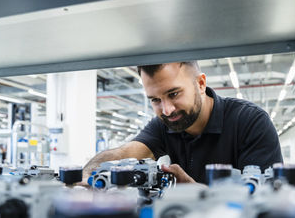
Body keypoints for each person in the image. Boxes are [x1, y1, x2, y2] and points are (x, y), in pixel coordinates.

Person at [83, 61, 283, 184]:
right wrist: (85, 176)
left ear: (201, 84)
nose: (167, 109)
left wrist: (196, 192)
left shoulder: (250, 122)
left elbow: (269, 203)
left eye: (174, 93)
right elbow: (123, 154)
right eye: (155, 100)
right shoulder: (164, 126)